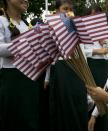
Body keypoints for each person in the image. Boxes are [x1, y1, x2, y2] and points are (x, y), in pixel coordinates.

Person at [0, 0, 45, 131]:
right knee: (13, 120)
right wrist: (25, 44)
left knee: (30, 118)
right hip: (12, 79)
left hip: (30, 78)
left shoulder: (25, 25)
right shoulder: (1, 21)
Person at [47, 1, 88, 131]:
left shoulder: (77, 27)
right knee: (63, 108)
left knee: (78, 104)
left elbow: (82, 52)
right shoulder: (50, 28)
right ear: (57, 11)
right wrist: (47, 78)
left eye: (71, 9)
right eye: (65, 9)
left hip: (78, 70)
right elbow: (48, 57)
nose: (68, 12)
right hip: (60, 71)